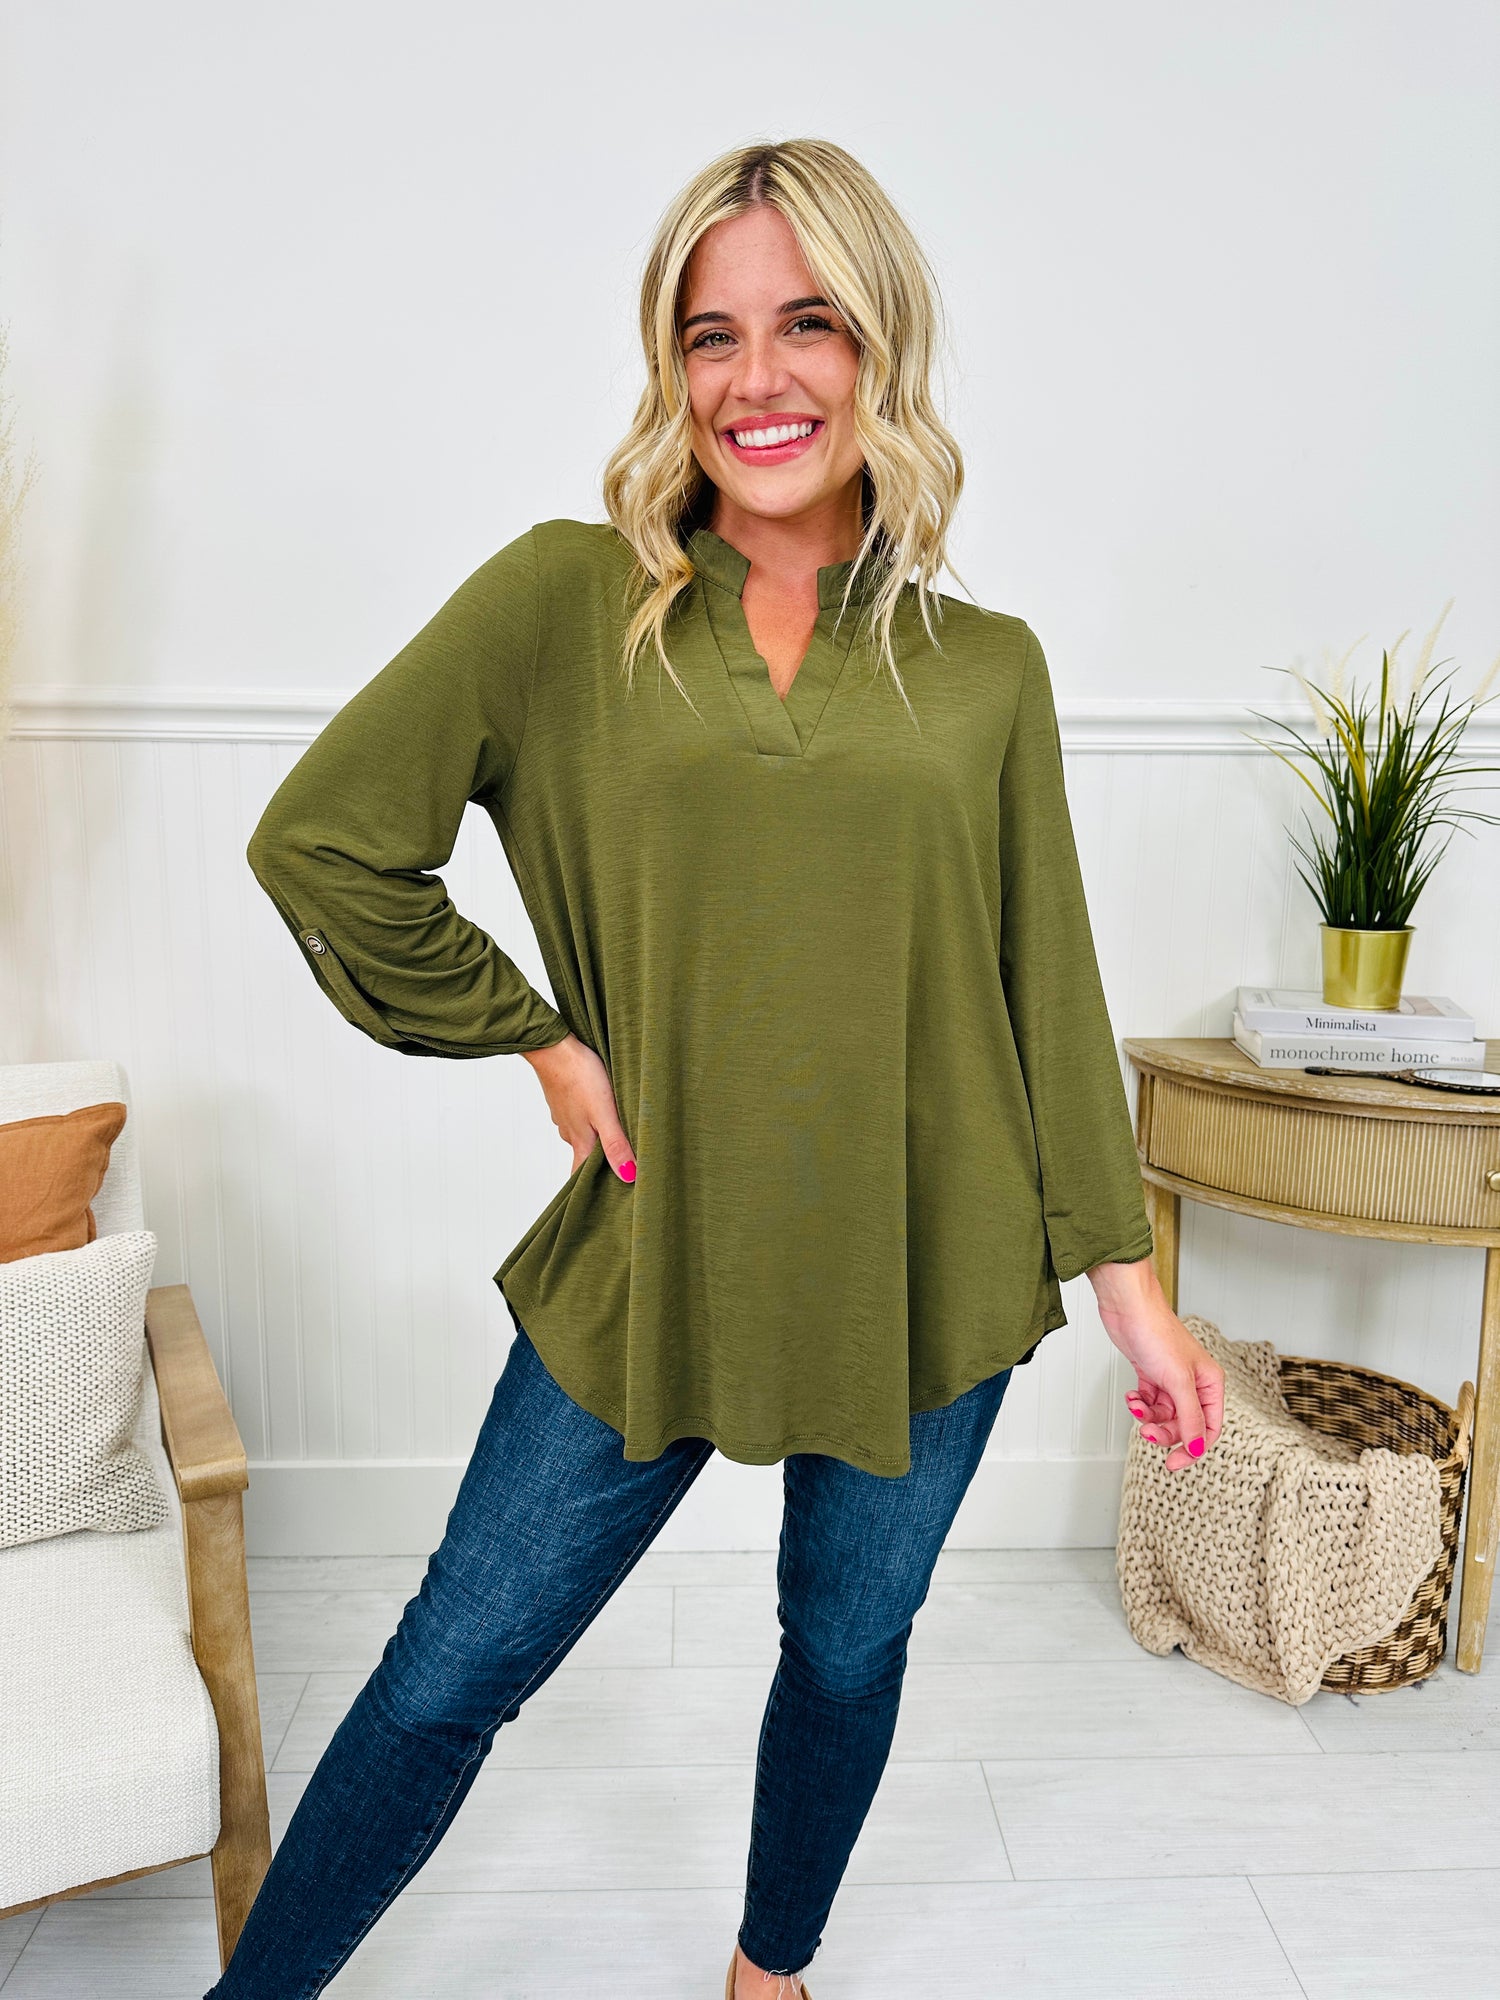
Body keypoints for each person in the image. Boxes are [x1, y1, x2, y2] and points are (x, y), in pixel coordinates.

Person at [209, 136, 1225, 2000]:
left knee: (844, 1652)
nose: (759, 378)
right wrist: (534, 1034)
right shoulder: (562, 602)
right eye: (712, 334)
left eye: (808, 324)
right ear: (671, 366)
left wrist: (1133, 1298)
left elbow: (1048, 992)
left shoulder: (987, 669)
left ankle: (772, 1975)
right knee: (448, 1672)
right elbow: (326, 844)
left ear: (880, 345)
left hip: (926, 1264)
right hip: (657, 1245)